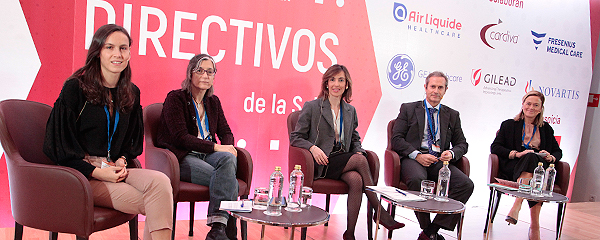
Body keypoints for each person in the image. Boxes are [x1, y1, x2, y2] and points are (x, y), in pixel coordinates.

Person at [43, 24, 173, 240]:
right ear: (98, 52)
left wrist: (122, 159)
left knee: (160, 181)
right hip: (81, 176)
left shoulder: (131, 92)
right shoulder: (76, 88)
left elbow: (130, 141)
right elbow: (58, 147)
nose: (117, 54)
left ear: (130, 53)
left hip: (113, 168)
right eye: (109, 47)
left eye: (123, 48)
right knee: (159, 201)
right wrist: (96, 172)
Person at [290, 64, 404, 240]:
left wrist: (358, 151)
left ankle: (349, 233)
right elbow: (296, 137)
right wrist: (313, 148)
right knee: (360, 161)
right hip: (322, 162)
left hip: (342, 160)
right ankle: (380, 212)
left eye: (341, 80)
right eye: (333, 79)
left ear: (347, 84)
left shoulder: (350, 111)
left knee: (357, 179)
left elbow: (355, 139)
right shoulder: (312, 107)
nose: (336, 84)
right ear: (326, 83)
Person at [157, 53, 239, 240]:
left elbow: (226, 132)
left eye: (210, 72)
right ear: (190, 74)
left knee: (228, 159)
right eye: (200, 70)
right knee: (229, 182)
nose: (205, 76)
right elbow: (181, 138)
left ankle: (217, 230)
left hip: (207, 155)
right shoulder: (175, 98)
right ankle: (226, 229)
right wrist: (217, 148)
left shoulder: (213, 102)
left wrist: (227, 148)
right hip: (182, 156)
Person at [391, 71, 473, 240]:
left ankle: (430, 232)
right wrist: (416, 155)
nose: (436, 91)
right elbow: (396, 139)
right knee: (416, 181)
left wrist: (451, 153)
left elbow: (462, 144)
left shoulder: (452, 115)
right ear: (425, 88)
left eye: (440, 87)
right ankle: (428, 228)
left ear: (446, 90)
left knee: (466, 184)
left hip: (438, 161)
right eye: (433, 86)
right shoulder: (408, 108)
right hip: (414, 158)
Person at [490, 90, 562, 240]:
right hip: (513, 166)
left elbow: (557, 151)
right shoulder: (509, 125)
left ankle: (517, 204)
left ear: (541, 109)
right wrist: (516, 154)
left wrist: (550, 156)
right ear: (522, 105)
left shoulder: (546, 128)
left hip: (538, 168)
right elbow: (495, 147)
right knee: (530, 160)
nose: (531, 107)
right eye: (528, 103)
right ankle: (535, 226)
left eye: (536, 105)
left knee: (534, 162)